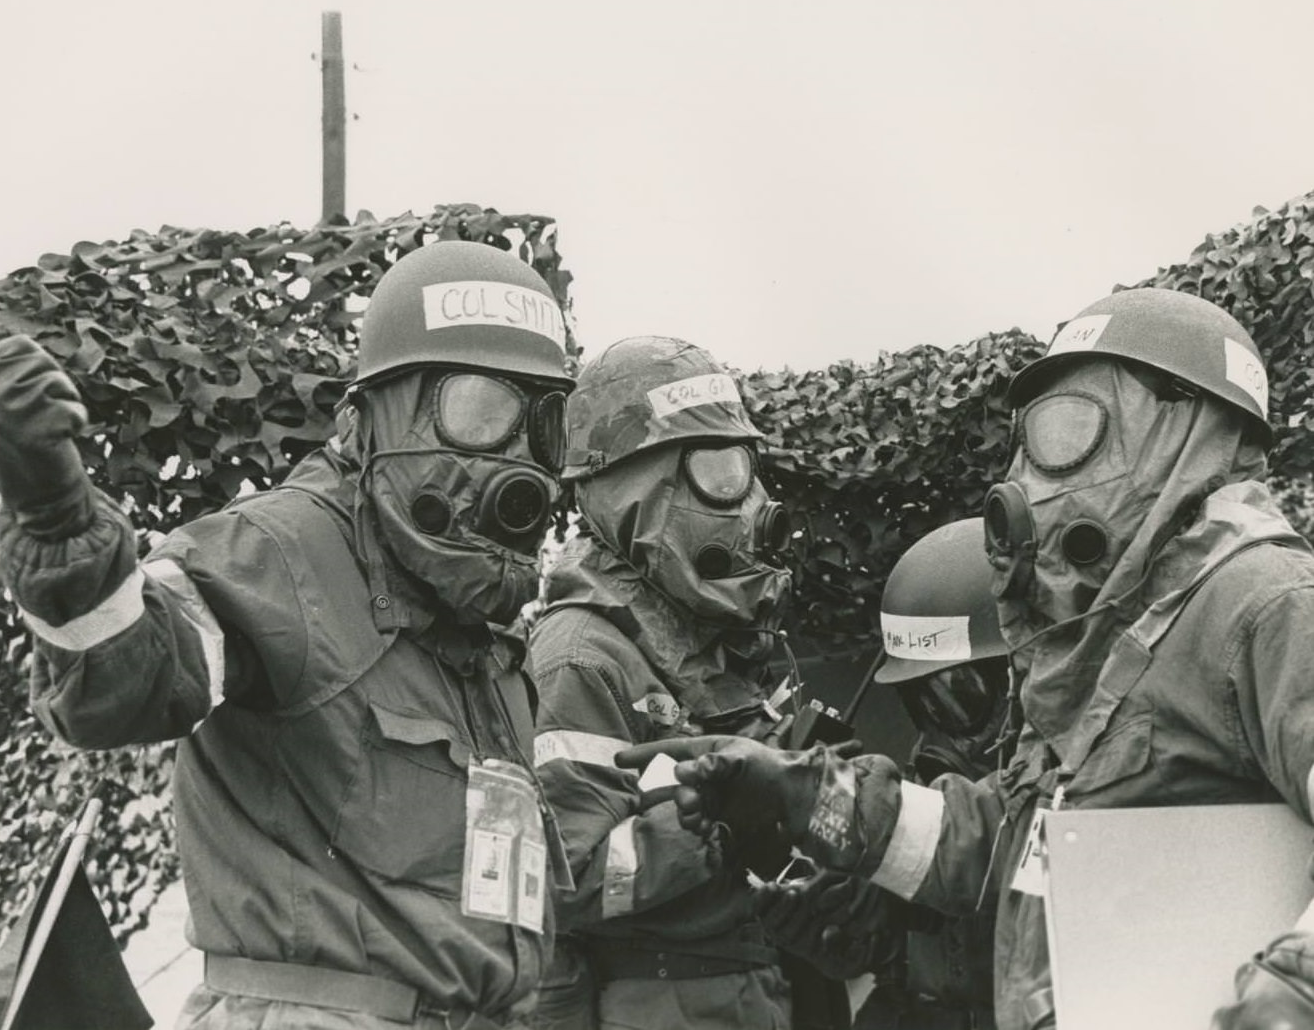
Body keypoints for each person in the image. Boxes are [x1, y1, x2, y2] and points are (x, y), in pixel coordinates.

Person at [619, 288, 1314, 1030]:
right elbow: (1003, 845)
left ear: (1182, 430)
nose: (1031, 476)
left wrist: (1291, 995)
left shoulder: (1263, 600)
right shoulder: (1121, 632)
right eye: (1033, 437)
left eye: (1072, 430)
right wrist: (800, 797)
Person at [0, 240, 577, 1030]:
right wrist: (53, 512)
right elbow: (122, 684)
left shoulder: (483, 648)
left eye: (544, 422)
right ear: (365, 419)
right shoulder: (282, 553)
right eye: (478, 410)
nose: (518, 458)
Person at [526, 336, 796, 1030]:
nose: (749, 503)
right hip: (662, 999)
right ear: (632, 492)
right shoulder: (581, 655)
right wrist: (718, 821)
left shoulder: (701, 639)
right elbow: (569, 880)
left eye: (745, 467)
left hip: (740, 988)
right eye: (718, 471)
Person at [753, 517, 1004, 1030]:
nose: (942, 733)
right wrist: (864, 936)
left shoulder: (1078, 792)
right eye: (921, 703)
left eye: (959, 696)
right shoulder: (918, 806)